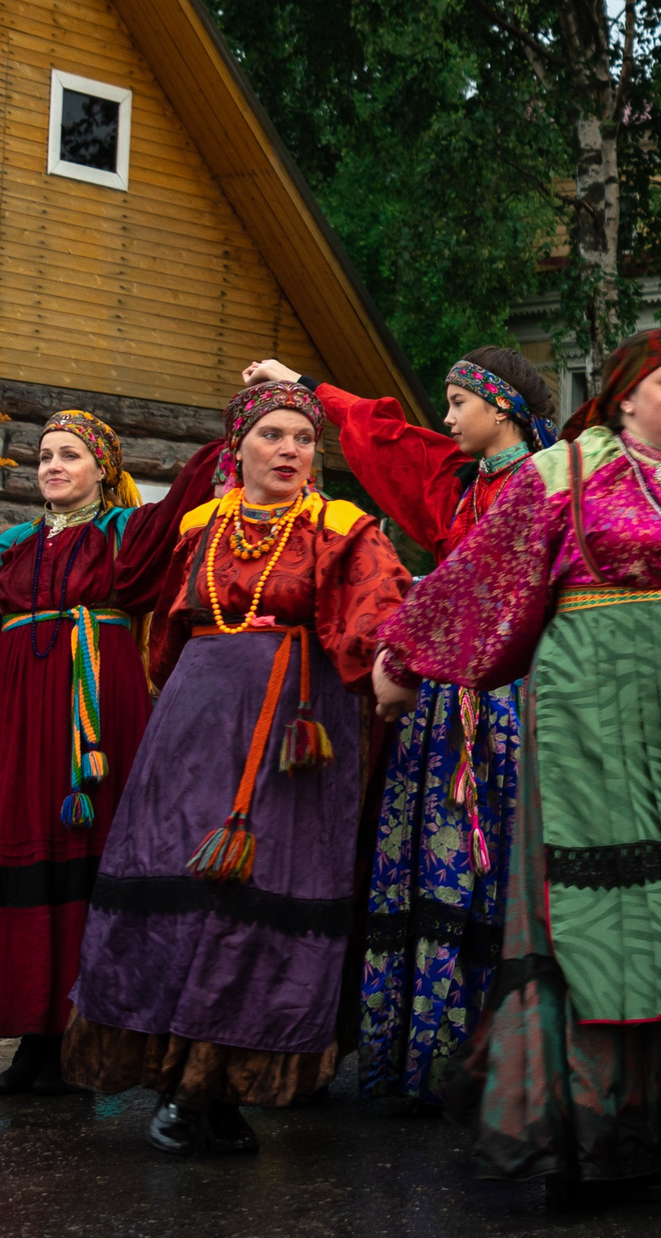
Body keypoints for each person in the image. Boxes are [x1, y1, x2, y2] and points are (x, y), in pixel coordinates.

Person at [378, 327, 661, 1200]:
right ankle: (587, 1135)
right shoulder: (561, 477)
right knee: (597, 928)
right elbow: (477, 579)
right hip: (588, 727)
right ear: (623, 394)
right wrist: (401, 657)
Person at [63, 382, 410, 1156]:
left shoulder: (341, 527)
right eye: (274, 435)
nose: (290, 450)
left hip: (295, 734)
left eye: (303, 438)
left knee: (253, 901)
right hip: (195, 726)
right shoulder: (199, 527)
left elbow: (377, 605)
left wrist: (388, 663)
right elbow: (166, 635)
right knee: (185, 890)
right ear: (238, 448)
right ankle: (180, 1085)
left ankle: (213, 1089)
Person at [240, 347, 559, 1106]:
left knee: (504, 867)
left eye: (457, 402)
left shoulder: (555, 484)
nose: (445, 419)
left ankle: (502, 1060)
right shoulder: (454, 482)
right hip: (440, 698)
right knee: (422, 859)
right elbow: (379, 432)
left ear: (502, 406)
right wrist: (306, 385)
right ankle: (423, 1051)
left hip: (521, 695)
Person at [0, 413, 225, 1096]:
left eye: (70, 454)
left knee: (86, 862)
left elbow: (187, 497)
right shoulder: (7, 549)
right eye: (44, 456)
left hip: (93, 725)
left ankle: (78, 1035)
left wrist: (236, 432)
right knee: (24, 852)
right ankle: (33, 1034)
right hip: (13, 726)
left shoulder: (127, 536)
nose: (53, 465)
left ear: (103, 469)